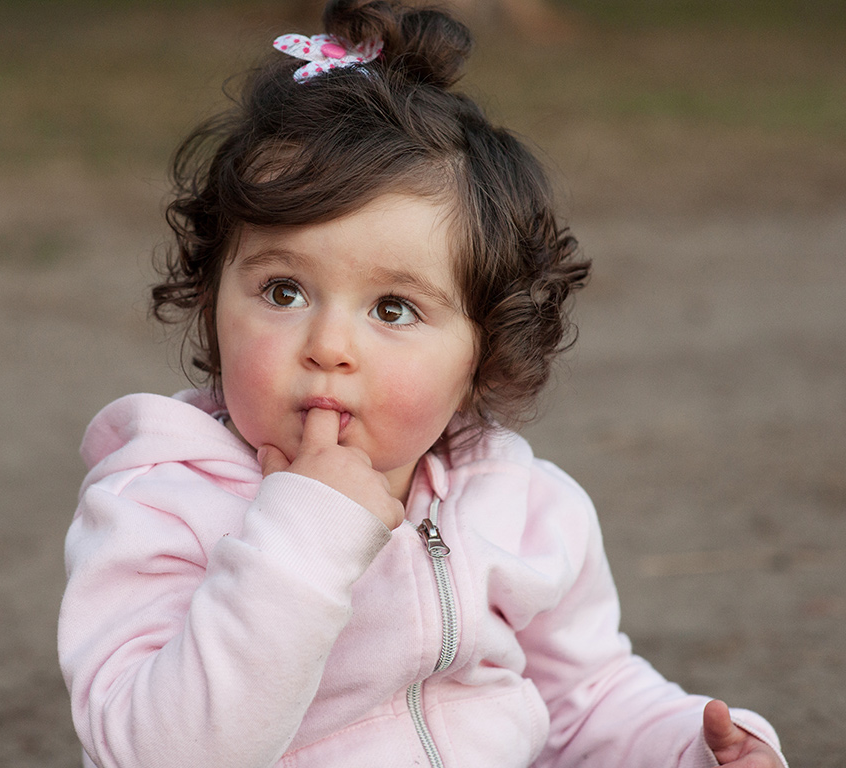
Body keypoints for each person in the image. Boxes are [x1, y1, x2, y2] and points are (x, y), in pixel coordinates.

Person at [57, 1, 789, 766]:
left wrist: (686, 749)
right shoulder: (161, 506)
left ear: (482, 354)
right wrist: (300, 538)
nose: (329, 346)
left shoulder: (521, 509)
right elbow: (152, 751)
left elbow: (583, 703)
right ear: (211, 304)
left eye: (394, 308)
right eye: (283, 291)